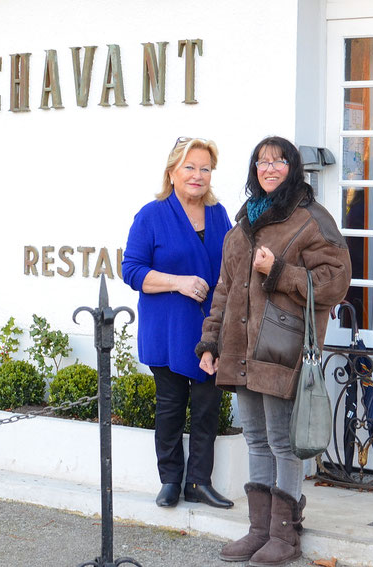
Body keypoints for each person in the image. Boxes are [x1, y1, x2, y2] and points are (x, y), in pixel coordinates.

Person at [196, 136, 351, 565]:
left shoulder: (311, 219)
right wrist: (210, 341)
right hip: (241, 349)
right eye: (261, 162)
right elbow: (225, 290)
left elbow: (335, 282)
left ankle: (285, 536)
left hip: (282, 349)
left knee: (282, 443)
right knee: (257, 440)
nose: (269, 168)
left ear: (293, 168)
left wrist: (280, 271)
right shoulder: (244, 221)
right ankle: (259, 530)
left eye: (279, 161)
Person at [122, 137, 234, 509]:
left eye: (205, 168)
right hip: (168, 329)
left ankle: (199, 483)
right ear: (172, 172)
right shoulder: (151, 215)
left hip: (210, 330)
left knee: (206, 408)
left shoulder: (219, 214)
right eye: (190, 167)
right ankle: (170, 480)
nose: (197, 175)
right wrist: (178, 282)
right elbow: (132, 270)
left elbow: (231, 269)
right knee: (170, 405)